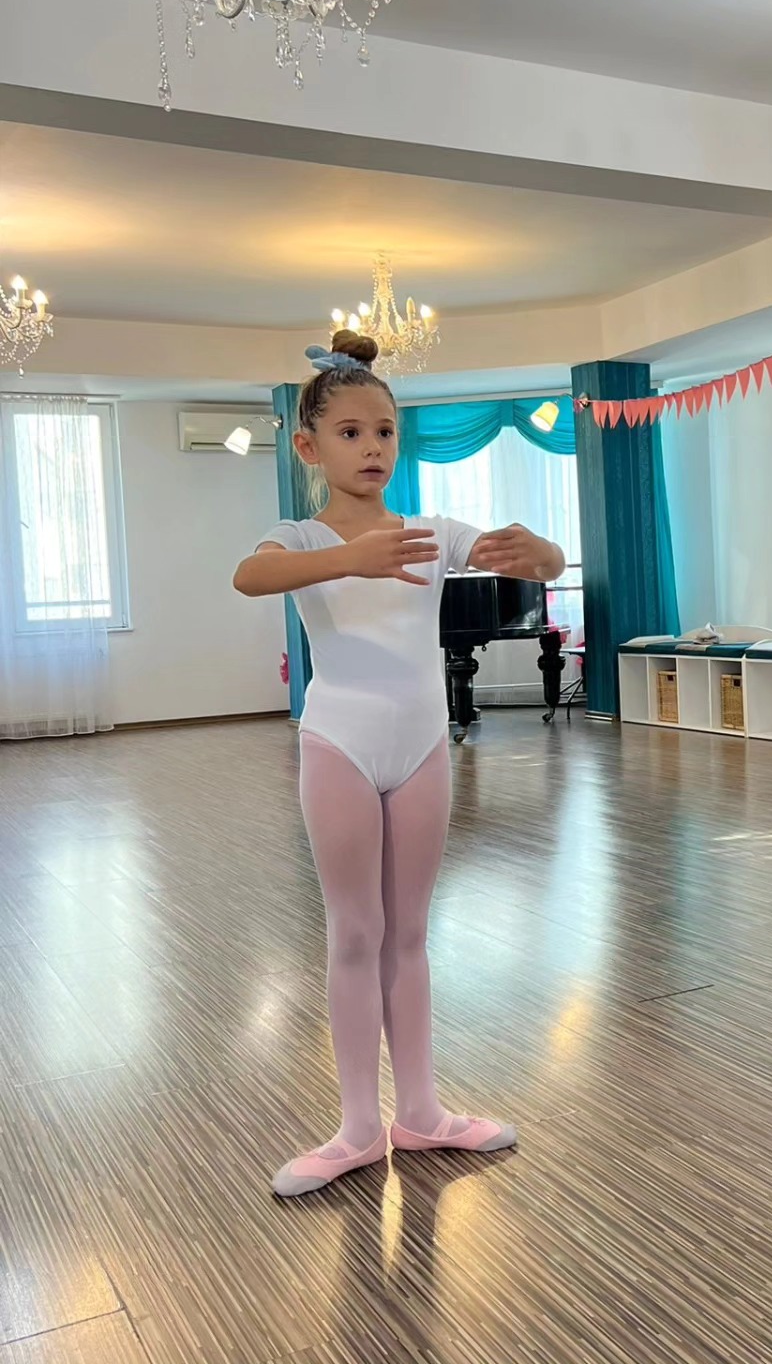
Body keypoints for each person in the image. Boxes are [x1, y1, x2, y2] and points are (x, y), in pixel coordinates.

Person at [234, 331, 566, 1195]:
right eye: (349, 432)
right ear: (309, 446)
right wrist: (348, 557)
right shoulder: (297, 535)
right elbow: (249, 578)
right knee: (355, 932)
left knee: (411, 933)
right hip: (338, 746)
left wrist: (541, 553)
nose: (371, 446)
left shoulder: (430, 532)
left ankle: (420, 1113)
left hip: (421, 751)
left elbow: (538, 561)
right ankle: (355, 1127)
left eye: (383, 431)